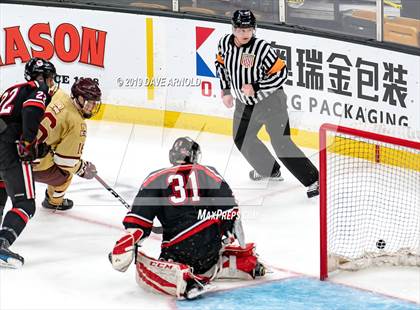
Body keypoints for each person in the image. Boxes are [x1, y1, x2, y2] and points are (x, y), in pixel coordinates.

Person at [109, 137, 265, 299]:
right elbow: (229, 206)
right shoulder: (207, 171)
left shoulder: (155, 178)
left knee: (143, 271)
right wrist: (227, 230)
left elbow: (139, 221)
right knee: (210, 260)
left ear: (172, 155)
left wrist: (129, 241)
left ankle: (184, 280)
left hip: (178, 248)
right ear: (195, 156)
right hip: (209, 246)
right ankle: (243, 263)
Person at [215, 10, 319, 198]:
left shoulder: (262, 48)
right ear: (233, 29)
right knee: (241, 137)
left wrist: (256, 85)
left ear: (254, 29)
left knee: (281, 142)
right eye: (240, 30)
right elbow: (220, 65)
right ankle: (269, 170)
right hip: (244, 104)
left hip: (271, 102)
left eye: (248, 30)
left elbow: (281, 73)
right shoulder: (224, 43)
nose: (244, 34)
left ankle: (313, 179)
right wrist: (226, 90)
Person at [0, 57, 56, 268]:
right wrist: (27, 141)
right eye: (50, 78)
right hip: (9, 145)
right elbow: (31, 110)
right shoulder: (38, 88)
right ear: (44, 77)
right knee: (25, 203)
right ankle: (2, 243)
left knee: (2, 188)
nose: (51, 83)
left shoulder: (12, 89)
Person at [32, 78, 101, 211]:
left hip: (18, 147)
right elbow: (65, 162)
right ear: (78, 98)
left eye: (94, 103)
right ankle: (54, 201)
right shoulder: (77, 124)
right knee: (66, 174)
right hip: (35, 165)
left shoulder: (59, 95)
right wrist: (83, 168)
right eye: (88, 102)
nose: (91, 107)